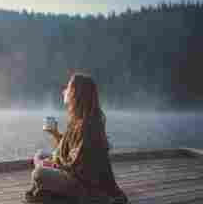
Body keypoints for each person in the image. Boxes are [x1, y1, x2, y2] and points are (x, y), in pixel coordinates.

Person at [24, 72, 129, 204]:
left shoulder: (88, 125)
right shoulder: (78, 118)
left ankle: (64, 195)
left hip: (82, 183)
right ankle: (51, 189)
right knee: (41, 154)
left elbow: (77, 167)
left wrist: (53, 165)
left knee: (38, 174)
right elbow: (70, 151)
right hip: (71, 170)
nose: (64, 91)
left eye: (67, 88)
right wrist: (55, 134)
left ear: (76, 93)